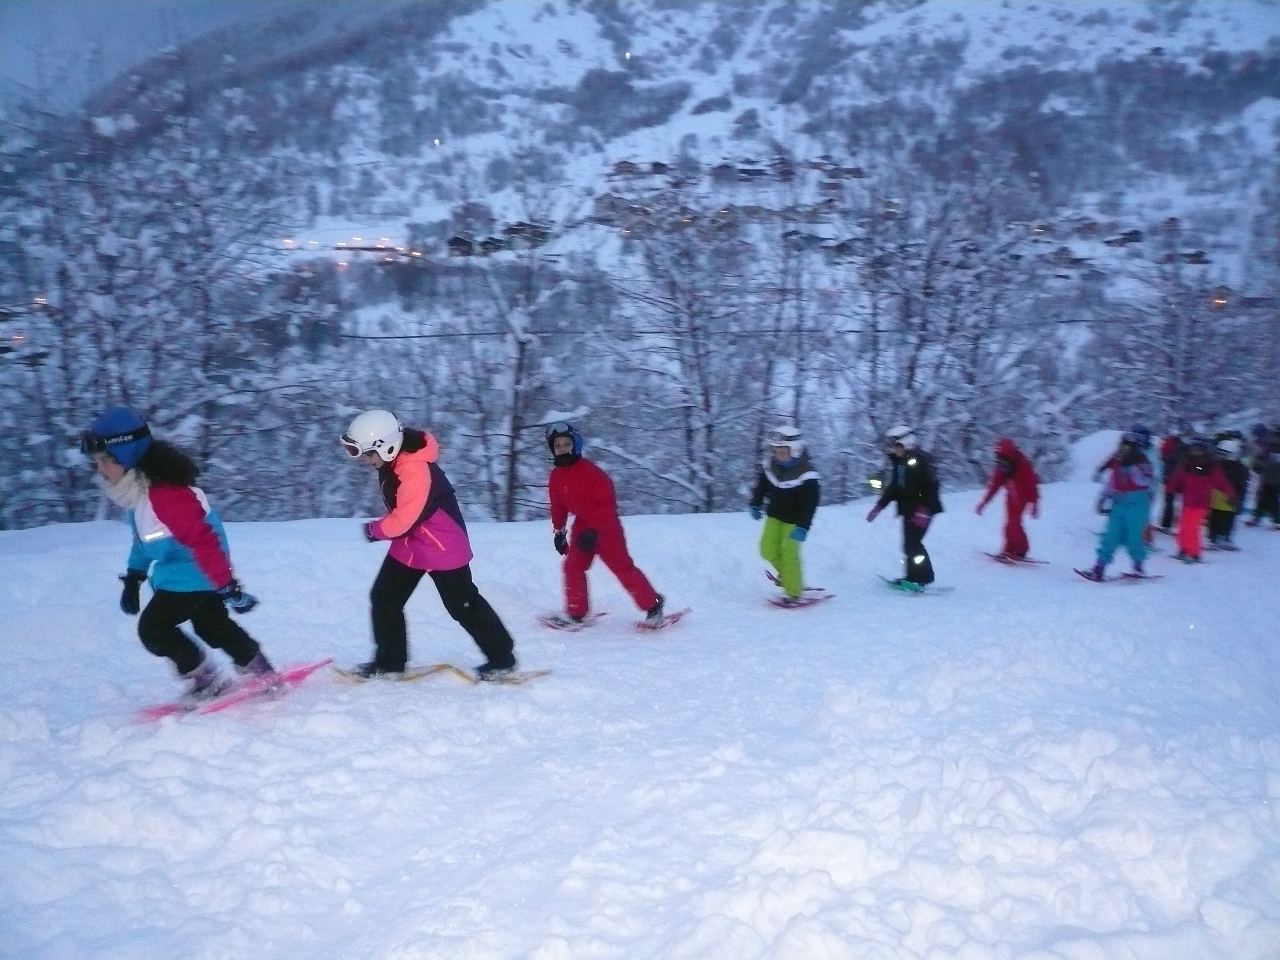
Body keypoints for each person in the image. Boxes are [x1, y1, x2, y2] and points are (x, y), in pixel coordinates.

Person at [81, 407, 275, 701]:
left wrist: (226, 586)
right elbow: (145, 540)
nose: (100, 470)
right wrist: (134, 577)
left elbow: (204, 541)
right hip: (193, 571)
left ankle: (206, 680)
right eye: (96, 463)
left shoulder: (167, 496)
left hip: (194, 571)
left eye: (105, 461)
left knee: (154, 630)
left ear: (126, 456)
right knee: (212, 627)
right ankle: (261, 670)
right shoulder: (141, 494)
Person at [342, 410, 517, 679]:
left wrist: (373, 530)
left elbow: (404, 520)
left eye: (367, 454)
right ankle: (389, 663)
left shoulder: (414, 469)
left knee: (463, 605)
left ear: (386, 446)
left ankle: (502, 659)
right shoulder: (394, 462)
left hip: (442, 545)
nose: (365, 460)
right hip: (412, 543)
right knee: (385, 597)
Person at [545, 421, 665, 625]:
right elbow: (558, 506)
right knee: (572, 567)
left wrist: (594, 531)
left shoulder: (591, 472)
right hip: (582, 526)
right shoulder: (556, 477)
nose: (562, 449)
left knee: (622, 568)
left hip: (606, 527)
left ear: (576, 445)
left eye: (566, 444)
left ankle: (653, 606)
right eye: (557, 446)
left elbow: (606, 504)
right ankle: (575, 613)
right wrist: (559, 532)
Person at [749, 426, 821, 605]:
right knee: (766, 550)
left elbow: (811, 504)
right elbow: (761, 486)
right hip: (774, 517)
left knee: (789, 555)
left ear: (795, 450)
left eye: (783, 452)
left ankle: (793, 592)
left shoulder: (807, 474)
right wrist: (756, 503)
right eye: (775, 451)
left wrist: (803, 527)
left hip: (795, 522)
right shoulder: (771, 467)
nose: (778, 456)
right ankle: (788, 576)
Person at [867, 425, 943, 591]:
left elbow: (931, 485)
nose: (893, 449)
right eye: (892, 446)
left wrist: (924, 509)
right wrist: (879, 507)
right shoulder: (900, 463)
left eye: (896, 445)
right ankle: (913, 576)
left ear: (906, 443)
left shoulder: (920, 460)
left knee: (913, 544)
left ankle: (921, 578)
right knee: (909, 545)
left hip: (922, 510)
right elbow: (894, 488)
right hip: (909, 509)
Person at [1079, 431, 1154, 581]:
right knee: (1110, 536)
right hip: (1119, 503)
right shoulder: (1118, 462)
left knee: (1134, 538)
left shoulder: (1143, 463)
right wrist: (1103, 498)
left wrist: (1136, 472)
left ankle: (1138, 567)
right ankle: (1099, 567)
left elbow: (1148, 482)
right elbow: (1112, 483)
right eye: (1122, 446)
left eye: (1127, 447)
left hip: (1137, 505)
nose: (1123, 450)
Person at [1164, 438, 1235, 563]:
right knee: (1182, 526)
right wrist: (1170, 489)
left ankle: (1193, 553)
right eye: (1194, 450)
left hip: (1201, 503)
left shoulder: (1210, 466)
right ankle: (1183, 549)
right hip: (1187, 501)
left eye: (1198, 451)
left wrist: (1230, 494)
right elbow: (1177, 477)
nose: (1195, 453)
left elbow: (1220, 482)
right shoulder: (1186, 464)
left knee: (1191, 528)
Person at [975, 437, 1040, 560]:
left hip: (1023, 497)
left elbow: (1032, 484)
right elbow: (994, 486)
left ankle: (1020, 549)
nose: (1002, 463)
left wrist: (1034, 504)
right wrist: (984, 502)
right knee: (1009, 525)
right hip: (1011, 497)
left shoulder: (1023, 465)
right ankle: (1009, 549)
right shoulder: (1001, 467)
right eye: (999, 459)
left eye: (1004, 459)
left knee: (1013, 524)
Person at [1208, 436, 1248, 548]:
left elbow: (1241, 484)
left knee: (1226, 517)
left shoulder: (1239, 468)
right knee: (1217, 516)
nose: (1221, 457)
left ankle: (1222, 536)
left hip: (1230, 497)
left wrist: (1239, 499)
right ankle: (1215, 536)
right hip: (1218, 495)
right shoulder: (1217, 465)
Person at [1245, 424, 1280, 529]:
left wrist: (1259, 466)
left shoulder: (1273, 446)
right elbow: (1260, 459)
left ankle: (1275, 520)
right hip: (1268, 477)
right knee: (1263, 497)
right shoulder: (1268, 446)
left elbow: (1266, 461)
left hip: (1274, 477)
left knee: (1270, 498)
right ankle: (1258, 517)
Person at [1157, 427, 1188, 531]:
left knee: (1169, 502)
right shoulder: (1185, 447)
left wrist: (1165, 477)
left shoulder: (1169, 445)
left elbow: (1163, 458)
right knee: (1180, 503)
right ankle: (1180, 524)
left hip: (1170, 478)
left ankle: (1166, 524)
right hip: (1182, 479)